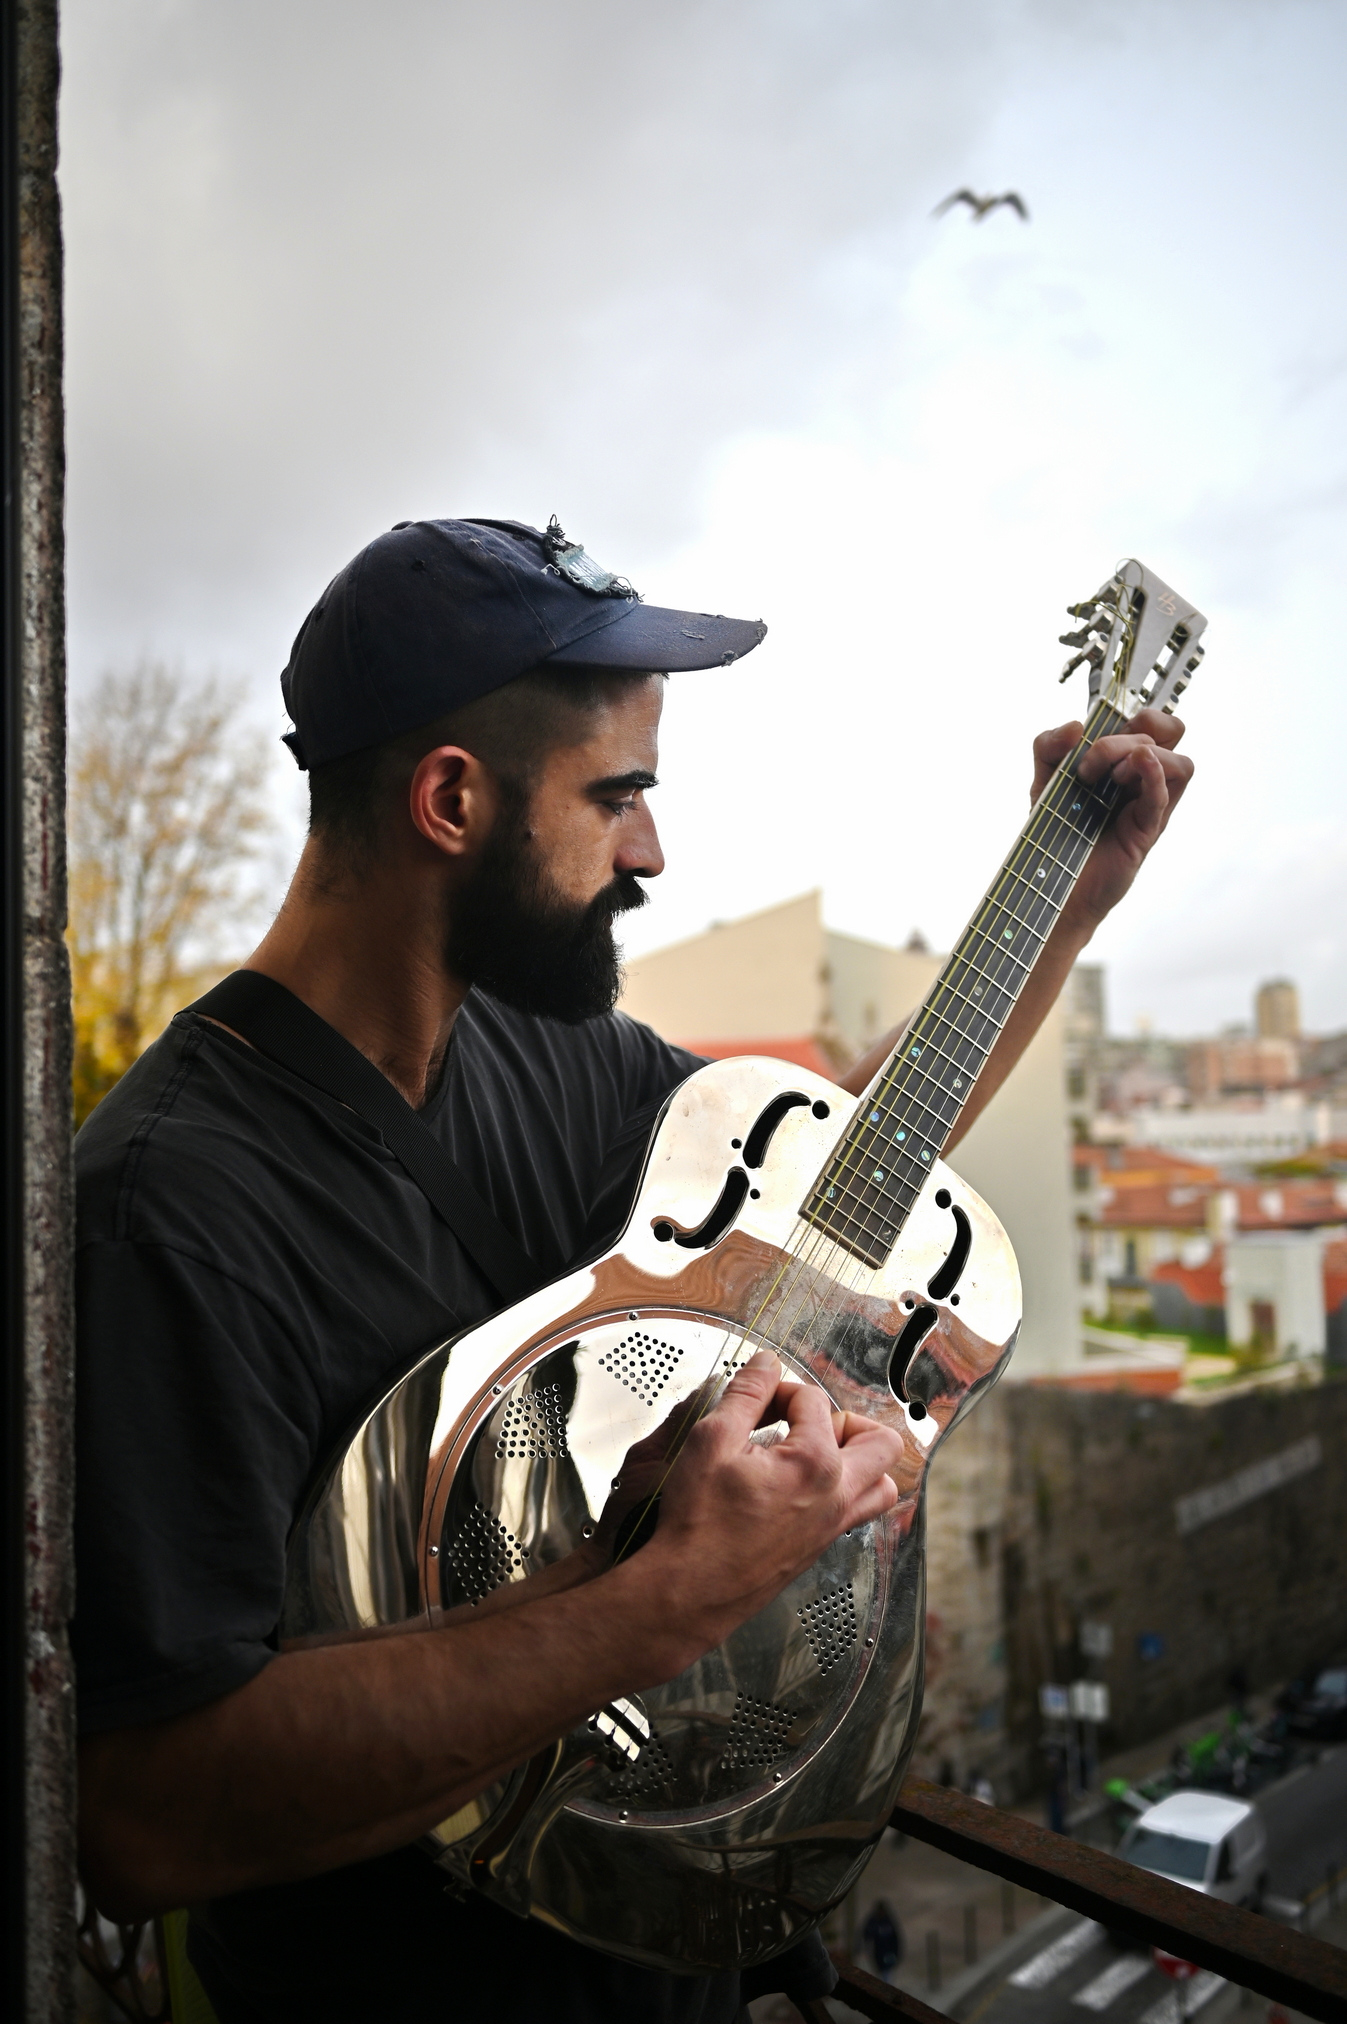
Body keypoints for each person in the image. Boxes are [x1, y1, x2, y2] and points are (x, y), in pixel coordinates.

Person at [73, 516, 1193, 2022]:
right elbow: (149, 1809)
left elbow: (834, 1174)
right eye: (619, 796)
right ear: (452, 799)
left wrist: (1067, 895)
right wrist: (664, 1602)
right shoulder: (171, 1209)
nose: (653, 850)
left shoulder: (541, 1051)